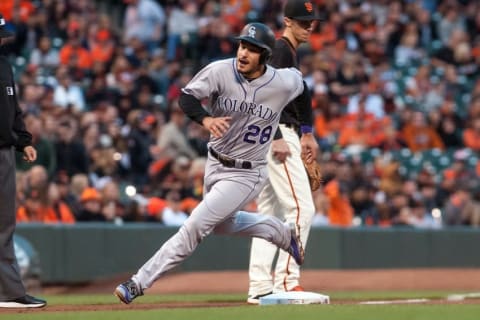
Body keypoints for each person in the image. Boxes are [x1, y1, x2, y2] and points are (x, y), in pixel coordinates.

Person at [114, 22, 310, 304]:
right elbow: (186, 97)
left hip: (248, 172)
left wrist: (306, 132)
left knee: (196, 225)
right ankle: (280, 231)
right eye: (243, 45)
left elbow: (302, 88)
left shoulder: (282, 81)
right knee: (221, 224)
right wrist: (205, 119)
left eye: (253, 50)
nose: (243, 53)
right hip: (215, 163)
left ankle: (138, 282)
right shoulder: (221, 70)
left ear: (265, 56)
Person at [247, 0, 320, 304]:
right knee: (302, 209)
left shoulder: (288, 52)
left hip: (275, 135)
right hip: (277, 135)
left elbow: (296, 95)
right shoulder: (279, 50)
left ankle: (260, 287)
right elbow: (262, 94)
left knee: (270, 214)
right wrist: (276, 135)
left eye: (311, 22)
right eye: (303, 22)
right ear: (287, 21)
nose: (308, 27)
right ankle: (287, 283)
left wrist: (306, 131)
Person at [0, 14, 46, 308]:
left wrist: (23, 140)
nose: (5, 37)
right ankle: (9, 294)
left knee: (3, 224)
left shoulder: (4, 64)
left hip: (4, 149)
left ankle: (8, 291)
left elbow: (11, 107)